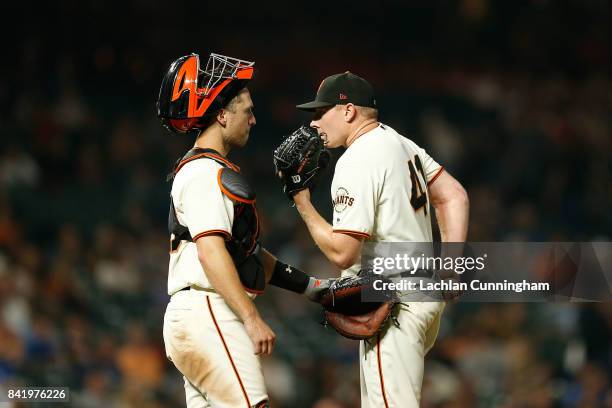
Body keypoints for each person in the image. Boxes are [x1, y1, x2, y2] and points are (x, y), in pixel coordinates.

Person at [157, 52, 329, 408]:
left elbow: (246, 255)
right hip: (209, 310)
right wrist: (250, 318)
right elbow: (211, 252)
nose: (253, 119)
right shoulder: (206, 172)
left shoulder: (204, 169)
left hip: (196, 315)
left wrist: (313, 288)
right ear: (222, 115)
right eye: (246, 110)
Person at [290, 71, 470, 407]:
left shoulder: (358, 158)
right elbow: (454, 195)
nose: (314, 123)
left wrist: (302, 202)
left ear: (348, 111)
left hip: (395, 302)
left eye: (320, 112)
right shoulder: (400, 143)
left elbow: (342, 253)